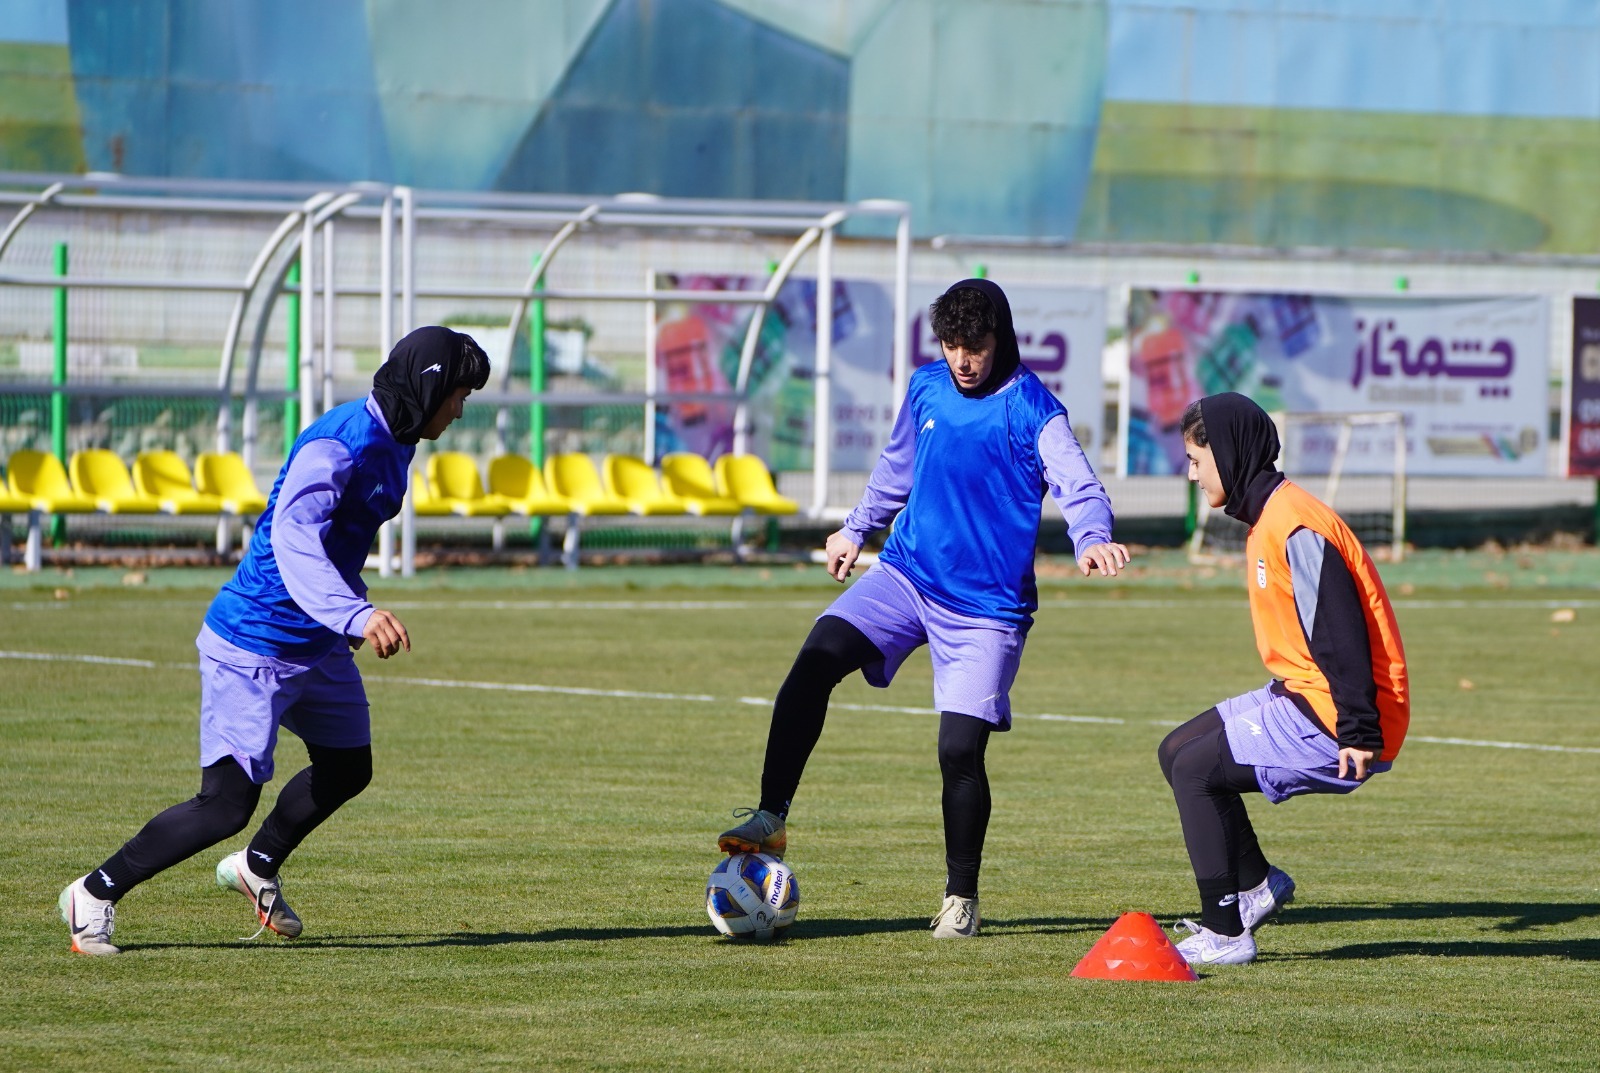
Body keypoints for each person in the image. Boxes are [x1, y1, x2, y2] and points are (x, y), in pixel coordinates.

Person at [717, 279, 1130, 938]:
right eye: (951, 343)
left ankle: (961, 896)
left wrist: (1092, 538)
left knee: (959, 749)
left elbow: (1079, 486)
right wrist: (855, 529)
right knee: (814, 661)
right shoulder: (926, 387)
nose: (962, 358)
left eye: (976, 345)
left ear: (1001, 339)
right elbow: (896, 470)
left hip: (986, 608)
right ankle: (771, 815)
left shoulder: (1034, 407)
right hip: (907, 576)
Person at [58, 326, 489, 956]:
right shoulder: (339, 443)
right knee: (224, 806)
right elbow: (294, 539)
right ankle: (93, 893)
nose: (459, 410)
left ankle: (255, 866)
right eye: (458, 395)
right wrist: (355, 615)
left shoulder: (398, 441)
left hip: (315, 641)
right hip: (254, 640)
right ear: (429, 388)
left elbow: (341, 542)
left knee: (348, 766)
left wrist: (341, 613)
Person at [1159, 392, 1408, 966]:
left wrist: (1359, 730)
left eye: (1196, 460)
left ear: (1228, 453)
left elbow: (1339, 633)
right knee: (1175, 752)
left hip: (1340, 714)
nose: (1191, 474)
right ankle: (1256, 886)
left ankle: (1226, 934)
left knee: (1196, 772)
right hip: (1307, 693)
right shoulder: (1268, 514)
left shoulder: (1295, 525)